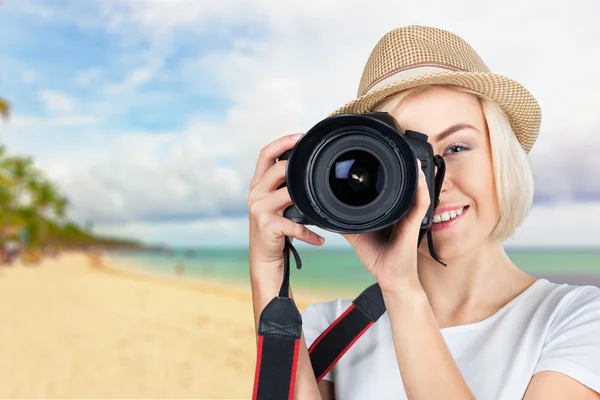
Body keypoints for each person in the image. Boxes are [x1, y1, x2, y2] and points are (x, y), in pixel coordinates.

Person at [247, 25, 600, 399]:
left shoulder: (576, 320)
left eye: (457, 147)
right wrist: (267, 275)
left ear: (501, 156)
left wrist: (402, 290)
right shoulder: (331, 331)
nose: (434, 183)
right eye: (408, 161)